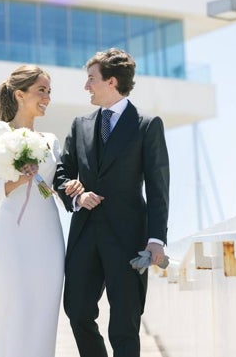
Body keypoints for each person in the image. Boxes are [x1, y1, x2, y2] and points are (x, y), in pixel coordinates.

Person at [54, 48, 170, 357]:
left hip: (129, 238)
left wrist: (156, 240)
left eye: (91, 79)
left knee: (124, 325)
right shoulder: (80, 125)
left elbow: (159, 188)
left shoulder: (147, 125)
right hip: (84, 235)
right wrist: (76, 194)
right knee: (77, 312)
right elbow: (61, 173)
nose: (86, 86)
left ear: (112, 82)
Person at [0, 65, 84, 357]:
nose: (47, 97)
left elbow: (54, 185)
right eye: (41, 90)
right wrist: (20, 178)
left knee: (43, 306)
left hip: (48, 234)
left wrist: (74, 187)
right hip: (12, 233)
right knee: (9, 302)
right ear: (19, 94)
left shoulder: (51, 141)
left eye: (49, 92)